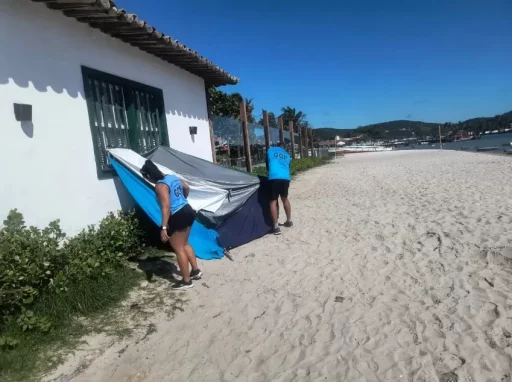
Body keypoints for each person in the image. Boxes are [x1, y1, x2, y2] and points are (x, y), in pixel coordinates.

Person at [140, 160, 202, 290]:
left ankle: (186, 281)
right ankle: (195, 271)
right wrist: (183, 199)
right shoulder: (172, 177)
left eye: (146, 177)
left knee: (178, 248)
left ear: (148, 175)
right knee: (184, 244)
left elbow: (166, 207)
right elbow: (186, 187)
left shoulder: (160, 186)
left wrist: (163, 228)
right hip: (188, 210)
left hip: (178, 215)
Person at [267, 142, 293, 235]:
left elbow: (268, 164)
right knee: (284, 199)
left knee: (273, 201)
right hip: (285, 178)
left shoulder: (270, 150)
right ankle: (289, 221)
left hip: (274, 177)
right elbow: (288, 166)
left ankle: (276, 227)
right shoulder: (287, 154)